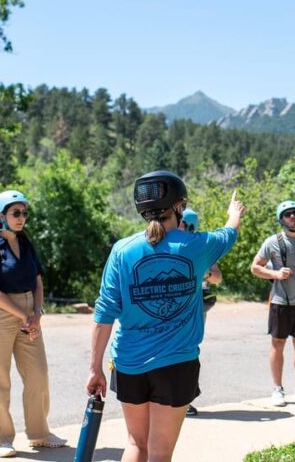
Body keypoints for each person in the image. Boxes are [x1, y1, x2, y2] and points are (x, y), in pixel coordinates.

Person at [87, 171, 245, 461]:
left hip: (128, 364)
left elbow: (104, 313)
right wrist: (233, 213)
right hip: (176, 365)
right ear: (179, 207)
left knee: (136, 444)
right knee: (160, 451)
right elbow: (230, 232)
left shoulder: (122, 251)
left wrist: (95, 367)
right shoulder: (198, 246)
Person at [0, 190, 66, 458]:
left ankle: (39, 434)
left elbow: (38, 282)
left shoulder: (26, 244)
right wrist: (22, 314)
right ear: (0, 215)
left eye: (24, 213)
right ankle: (0, 440)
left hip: (29, 313)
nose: (22, 218)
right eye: (16, 213)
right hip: (1, 316)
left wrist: (36, 313)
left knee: (38, 375)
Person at [250, 200, 295, 407]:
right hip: (280, 302)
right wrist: (275, 273)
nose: (293, 217)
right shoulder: (272, 242)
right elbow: (255, 267)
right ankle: (277, 389)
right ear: (281, 219)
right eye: (287, 214)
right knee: (278, 344)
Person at [179, 209, 223, 418]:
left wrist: (203, 271)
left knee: (189, 349)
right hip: (173, 306)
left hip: (196, 306)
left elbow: (217, 277)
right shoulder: (167, 241)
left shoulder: (202, 245)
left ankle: (185, 399)